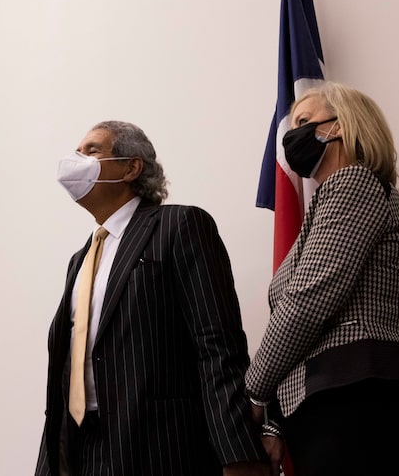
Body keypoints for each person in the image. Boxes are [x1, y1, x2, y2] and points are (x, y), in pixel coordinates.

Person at [36, 121, 272, 476]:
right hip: (84, 452)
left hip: (162, 450)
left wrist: (238, 452)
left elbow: (217, 346)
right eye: (77, 152)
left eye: (92, 150)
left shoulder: (179, 226)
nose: (77, 160)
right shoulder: (79, 261)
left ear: (131, 167)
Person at [244, 82, 399, 475]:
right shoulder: (331, 197)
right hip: (334, 410)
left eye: (305, 121)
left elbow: (308, 303)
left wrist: (253, 392)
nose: (292, 137)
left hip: (354, 409)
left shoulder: (353, 183)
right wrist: (275, 419)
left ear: (339, 126)